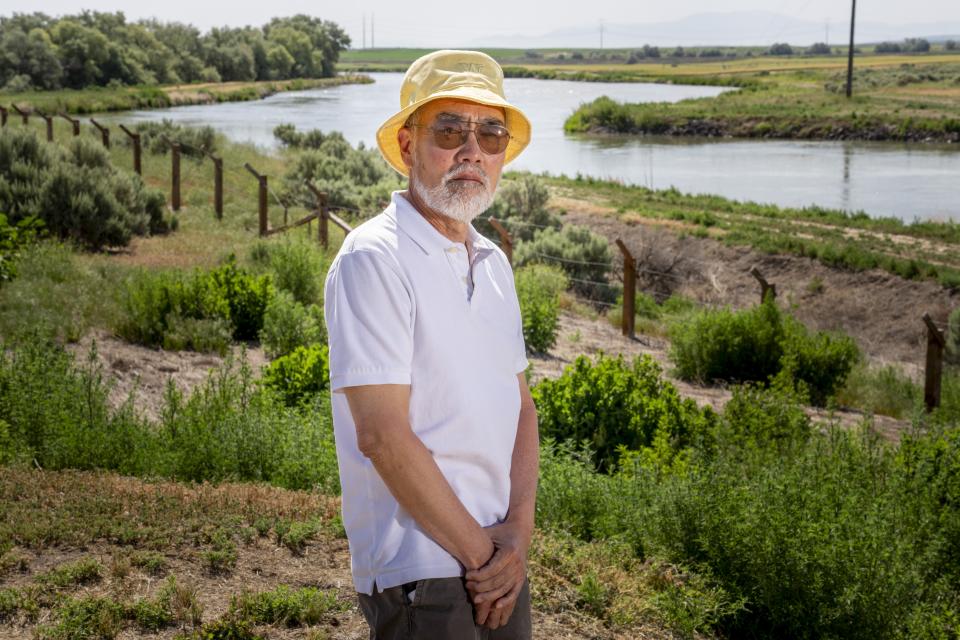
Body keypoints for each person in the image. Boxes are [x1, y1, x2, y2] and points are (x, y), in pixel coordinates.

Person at [323, 49, 538, 639]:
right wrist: (483, 558)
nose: (473, 150)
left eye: (491, 133)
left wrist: (517, 536)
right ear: (408, 144)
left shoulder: (493, 263)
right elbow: (383, 436)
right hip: (422, 572)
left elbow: (520, 406)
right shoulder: (375, 258)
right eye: (450, 129)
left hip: (498, 561)